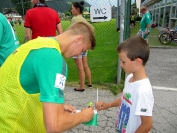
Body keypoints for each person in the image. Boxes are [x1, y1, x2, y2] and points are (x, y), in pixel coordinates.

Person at [0, 22, 96, 133]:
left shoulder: (37, 43)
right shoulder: (53, 58)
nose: (79, 55)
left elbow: (22, 86)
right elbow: (54, 125)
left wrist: (54, 107)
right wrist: (83, 116)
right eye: (83, 50)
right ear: (78, 39)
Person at [95, 36, 154, 133]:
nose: (121, 65)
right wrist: (107, 105)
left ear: (138, 62)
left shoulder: (143, 91)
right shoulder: (129, 78)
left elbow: (147, 125)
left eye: (123, 62)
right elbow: (126, 99)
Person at [71, 1, 93, 91]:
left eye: (72, 8)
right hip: (84, 45)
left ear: (77, 9)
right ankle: (89, 83)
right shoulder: (84, 19)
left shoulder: (75, 19)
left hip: (78, 46)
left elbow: (72, 32)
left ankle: (81, 86)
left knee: (80, 68)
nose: (71, 10)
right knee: (85, 66)